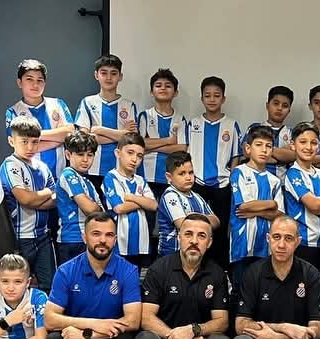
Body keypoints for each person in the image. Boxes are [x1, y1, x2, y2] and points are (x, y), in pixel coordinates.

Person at [187, 76, 242, 268]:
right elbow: (186, 152)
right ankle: (195, 265)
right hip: (196, 184)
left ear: (223, 98)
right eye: (207, 95)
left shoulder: (231, 125)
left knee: (220, 228)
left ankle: (218, 269)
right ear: (202, 98)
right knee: (196, 227)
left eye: (216, 95)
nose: (212, 99)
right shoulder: (193, 124)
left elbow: (236, 157)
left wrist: (233, 182)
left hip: (222, 185)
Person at [0, 115, 57, 292]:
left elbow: (56, 200)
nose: (30, 147)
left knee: (49, 287)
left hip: (43, 236)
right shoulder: (11, 165)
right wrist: (46, 193)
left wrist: (34, 200)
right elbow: (25, 199)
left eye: (35, 142)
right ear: (11, 141)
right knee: (17, 288)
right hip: (20, 238)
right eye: (24, 142)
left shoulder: (42, 167)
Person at [229, 124, 284, 294]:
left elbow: (279, 214)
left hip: (264, 245)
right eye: (259, 145)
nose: (264, 150)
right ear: (248, 148)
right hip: (241, 243)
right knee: (240, 290)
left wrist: (261, 209)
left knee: (261, 290)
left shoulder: (274, 180)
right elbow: (243, 205)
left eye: (268, 146)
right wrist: (270, 203)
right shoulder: (239, 172)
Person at [283, 122, 320, 273]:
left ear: (319, 146)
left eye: (313, 143)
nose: (308, 147)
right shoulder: (293, 174)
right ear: (293, 145)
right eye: (303, 142)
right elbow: (313, 204)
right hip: (303, 243)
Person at [74, 54, 139, 185]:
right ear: (96, 75)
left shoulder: (128, 105)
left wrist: (99, 130)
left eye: (113, 73)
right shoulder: (87, 102)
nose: (109, 78)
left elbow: (131, 140)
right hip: (92, 169)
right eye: (104, 73)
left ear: (120, 76)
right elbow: (84, 140)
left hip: (121, 171)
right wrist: (121, 134)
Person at [5, 59, 75, 180]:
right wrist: (58, 139)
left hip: (61, 176)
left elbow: (70, 133)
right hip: (30, 177)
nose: (35, 85)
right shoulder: (13, 112)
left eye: (39, 80)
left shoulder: (58, 104)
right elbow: (21, 147)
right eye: (29, 79)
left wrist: (33, 136)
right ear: (19, 82)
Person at [102, 132, 156, 266]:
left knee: (135, 277)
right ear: (118, 153)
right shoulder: (111, 177)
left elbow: (154, 205)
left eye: (139, 156)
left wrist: (131, 197)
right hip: (120, 242)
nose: (134, 159)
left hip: (140, 242)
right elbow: (119, 208)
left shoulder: (140, 180)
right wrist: (143, 201)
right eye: (130, 153)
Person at [137, 68, 189, 199]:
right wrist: (169, 141)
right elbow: (140, 144)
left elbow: (181, 148)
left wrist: (151, 146)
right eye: (158, 85)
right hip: (146, 175)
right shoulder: (145, 116)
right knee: (147, 211)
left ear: (175, 92)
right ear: (151, 91)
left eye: (168, 86)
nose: (163, 88)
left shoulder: (180, 119)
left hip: (171, 177)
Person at [156, 151, 219, 257]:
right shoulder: (170, 195)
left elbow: (216, 222)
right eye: (182, 173)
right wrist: (204, 219)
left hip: (194, 254)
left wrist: (192, 216)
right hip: (171, 255)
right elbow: (183, 225)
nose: (188, 177)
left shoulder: (197, 197)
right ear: (169, 177)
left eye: (191, 172)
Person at [56, 130, 104, 265]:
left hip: (88, 238)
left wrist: (96, 208)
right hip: (72, 239)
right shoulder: (68, 174)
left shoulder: (88, 182)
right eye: (80, 154)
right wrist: (95, 207)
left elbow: (101, 213)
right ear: (68, 155)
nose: (85, 160)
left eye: (90, 155)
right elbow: (91, 209)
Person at [243, 85, 296, 176]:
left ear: (289, 110)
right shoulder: (255, 128)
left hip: (283, 182)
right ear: (267, 106)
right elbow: (246, 153)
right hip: (256, 180)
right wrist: (282, 156)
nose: (279, 108)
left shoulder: (292, 133)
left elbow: (295, 156)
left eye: (285, 106)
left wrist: (260, 151)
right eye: (276, 103)